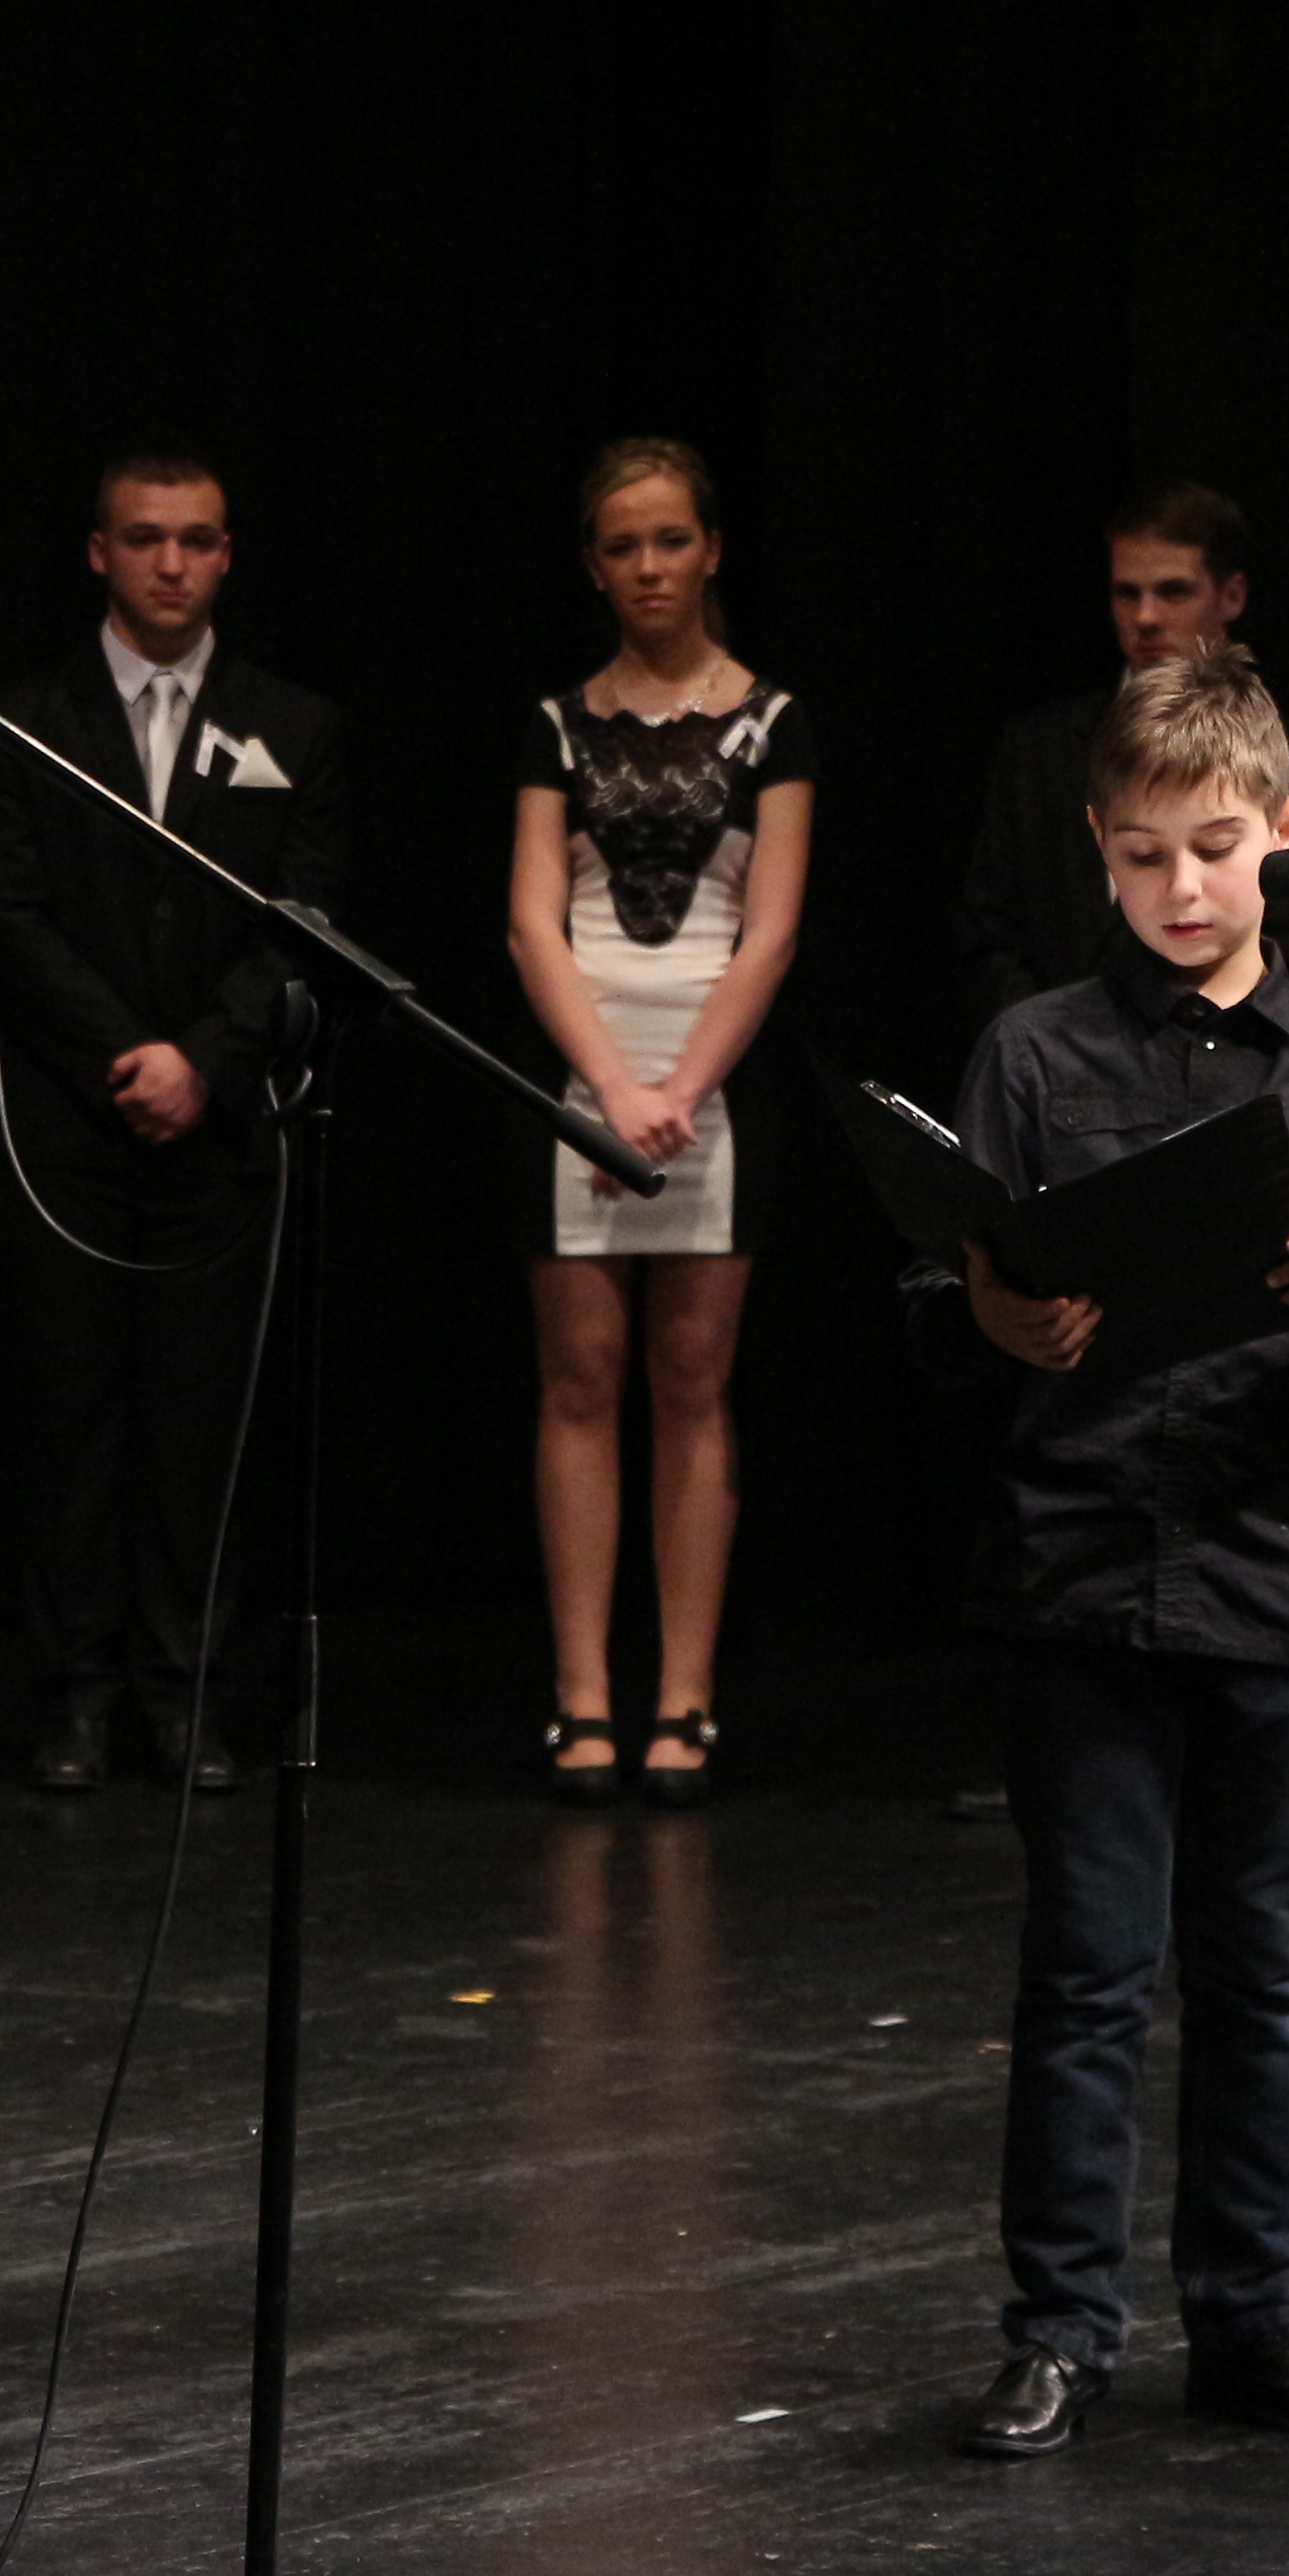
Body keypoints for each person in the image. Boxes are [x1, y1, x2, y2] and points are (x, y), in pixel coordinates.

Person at [915, 642, 1289, 2462]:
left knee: (1260, 1977)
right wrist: (990, 1314)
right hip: (1081, 1568)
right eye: (1145, 856)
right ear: (1098, 848)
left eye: (1215, 851)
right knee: (1085, 1972)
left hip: (1278, 1567)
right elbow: (939, 1281)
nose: (1180, 889)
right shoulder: (1032, 1051)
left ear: (1282, 834)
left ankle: (1251, 2324)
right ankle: (1059, 2332)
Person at [0, 442, 347, 1794]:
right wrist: (127, 1055)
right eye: (144, 539)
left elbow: (306, 922)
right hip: (70, 1127)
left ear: (227, 556)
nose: (170, 564)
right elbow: (8, 914)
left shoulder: (294, 725)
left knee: (200, 1425)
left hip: (221, 1131)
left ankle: (188, 1695)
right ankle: (74, 1695)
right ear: (99, 553)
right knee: (70, 1420)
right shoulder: (24, 718)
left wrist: (205, 1060)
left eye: (195, 540)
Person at [507, 435, 810, 1810]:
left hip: (712, 1090)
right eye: (623, 546)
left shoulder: (774, 721)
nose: (649, 568)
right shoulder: (557, 723)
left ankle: (684, 1695)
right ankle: (582, 1693)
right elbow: (531, 923)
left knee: (693, 1382)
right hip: (582, 1086)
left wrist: (679, 1092)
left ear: (712, 550)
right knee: (579, 1384)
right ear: (593, 566)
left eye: (670, 540)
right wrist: (613, 1093)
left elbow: (772, 929)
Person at [954, 481, 1289, 1019]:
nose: (1145, 617)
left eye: (1173, 592)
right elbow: (991, 931)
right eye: (1127, 593)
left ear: (1232, 596)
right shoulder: (1037, 751)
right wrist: (1057, 1039)